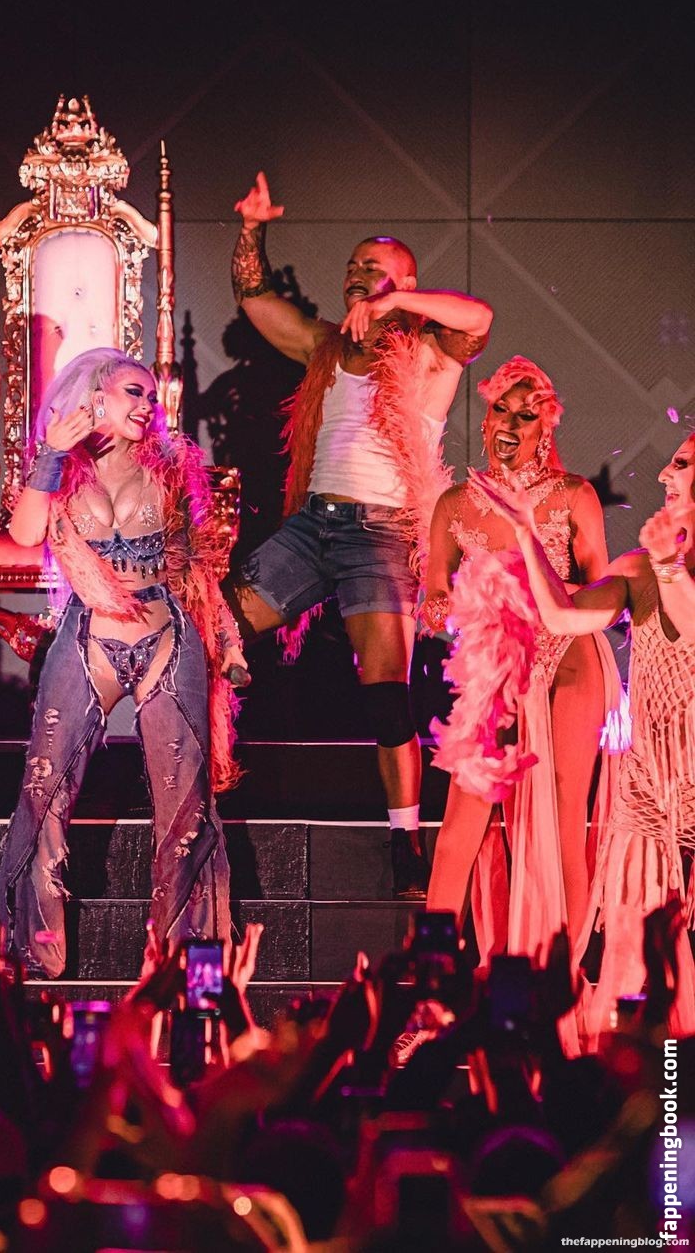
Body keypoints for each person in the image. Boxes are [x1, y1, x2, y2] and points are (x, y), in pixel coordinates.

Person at [227, 171, 494, 896]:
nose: (356, 274)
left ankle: (405, 841)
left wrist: (398, 302)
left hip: (380, 534)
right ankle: (196, 787)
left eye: (372, 268)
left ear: (404, 283)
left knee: (385, 698)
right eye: (352, 266)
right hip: (314, 524)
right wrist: (251, 229)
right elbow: (254, 297)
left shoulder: (432, 349)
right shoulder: (325, 343)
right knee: (211, 630)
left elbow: (479, 317)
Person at [0, 348, 245, 978]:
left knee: (185, 807)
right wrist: (50, 456)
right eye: (135, 392)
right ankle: (37, 947)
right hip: (90, 634)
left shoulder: (171, 466)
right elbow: (25, 534)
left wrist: (226, 638)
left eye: (152, 397)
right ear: (95, 396)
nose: (147, 405)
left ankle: (181, 963)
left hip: (166, 633)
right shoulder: (61, 466)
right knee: (45, 788)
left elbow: (197, 563)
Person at [473, 432, 695, 1043]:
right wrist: (525, 531)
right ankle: (639, 1085)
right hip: (648, 793)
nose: (663, 475)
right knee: (631, 958)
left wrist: (671, 566)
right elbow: (562, 616)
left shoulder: (663, 569)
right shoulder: (639, 569)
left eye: (682, 463)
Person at [422, 358, 617, 968]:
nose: (509, 424)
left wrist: (536, 597)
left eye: (525, 415)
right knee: (459, 828)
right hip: (493, 666)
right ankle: (430, 981)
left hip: (567, 658)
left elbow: (602, 592)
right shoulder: (456, 504)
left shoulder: (574, 495)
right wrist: (460, 605)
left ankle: (562, 974)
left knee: (562, 821)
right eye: (500, 410)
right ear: (485, 421)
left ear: (545, 427)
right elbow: (432, 598)